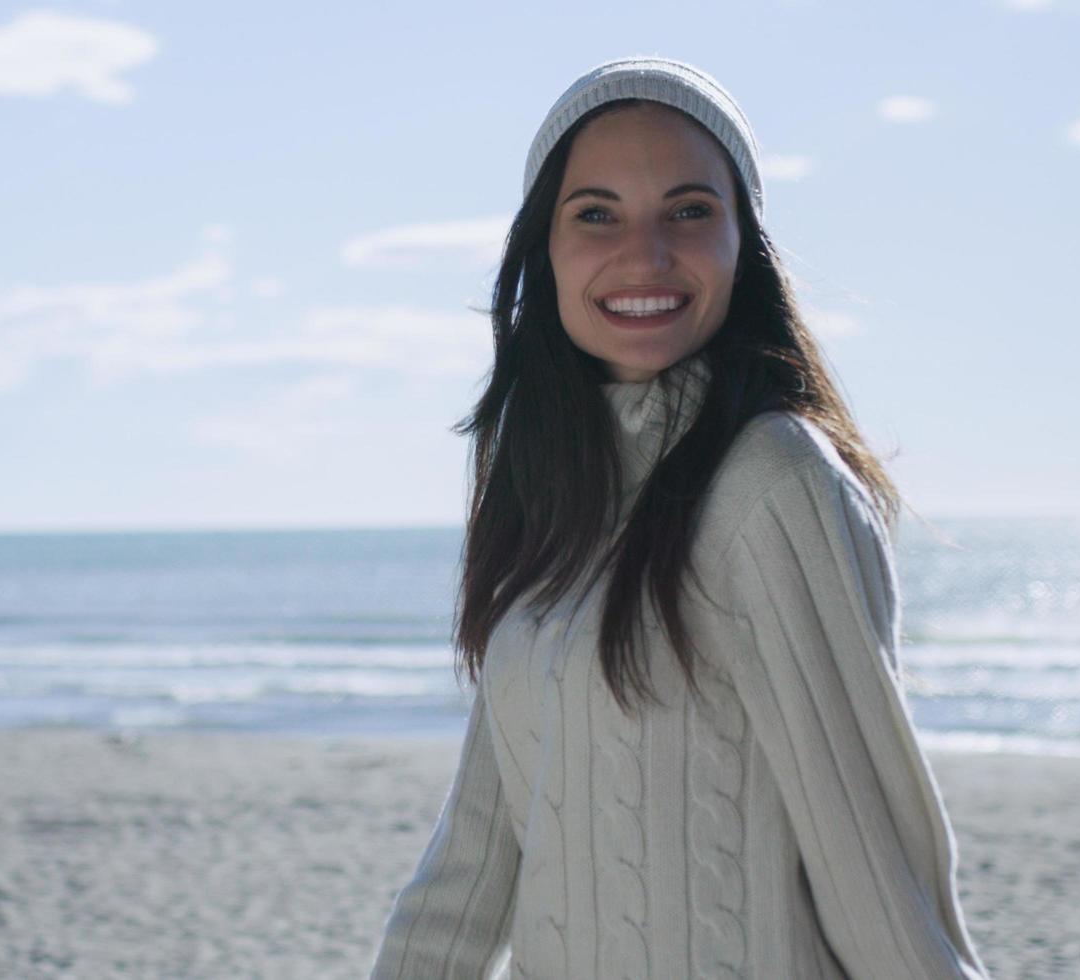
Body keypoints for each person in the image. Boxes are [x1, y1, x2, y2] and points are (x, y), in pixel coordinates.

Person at [368, 57, 991, 979]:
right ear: (546, 246)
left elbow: (872, 871)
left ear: (746, 243)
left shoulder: (774, 482)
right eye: (597, 214)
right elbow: (471, 867)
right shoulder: (554, 500)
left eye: (690, 210)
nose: (645, 254)